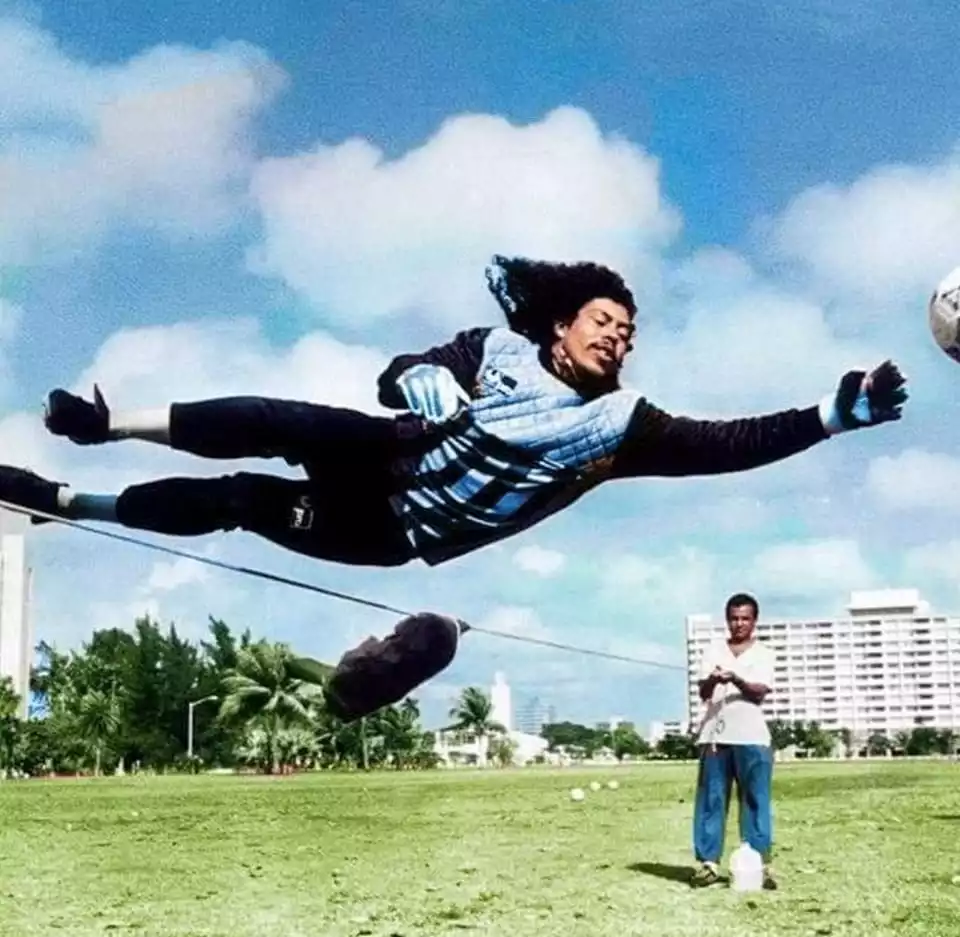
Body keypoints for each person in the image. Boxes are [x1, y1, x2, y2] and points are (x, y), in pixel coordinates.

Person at [0, 254, 909, 571]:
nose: (619, 340)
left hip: (391, 529)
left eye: (630, 333)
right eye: (604, 323)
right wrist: (414, 378)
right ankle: (106, 424)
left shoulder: (621, 428)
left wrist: (830, 416)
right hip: (388, 450)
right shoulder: (497, 348)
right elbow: (404, 367)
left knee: (241, 497)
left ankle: (69, 502)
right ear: (560, 327)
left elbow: (728, 445)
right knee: (288, 418)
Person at [690, 592, 778, 890]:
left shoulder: (765, 653)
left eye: (745, 618)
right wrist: (714, 679)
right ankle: (708, 863)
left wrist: (736, 678)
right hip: (715, 735)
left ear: (754, 621)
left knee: (755, 800)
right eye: (734, 618)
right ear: (727, 619)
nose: (738, 624)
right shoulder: (713, 650)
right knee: (711, 799)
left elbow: (758, 693)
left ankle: (760, 863)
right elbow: (703, 693)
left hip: (752, 736)